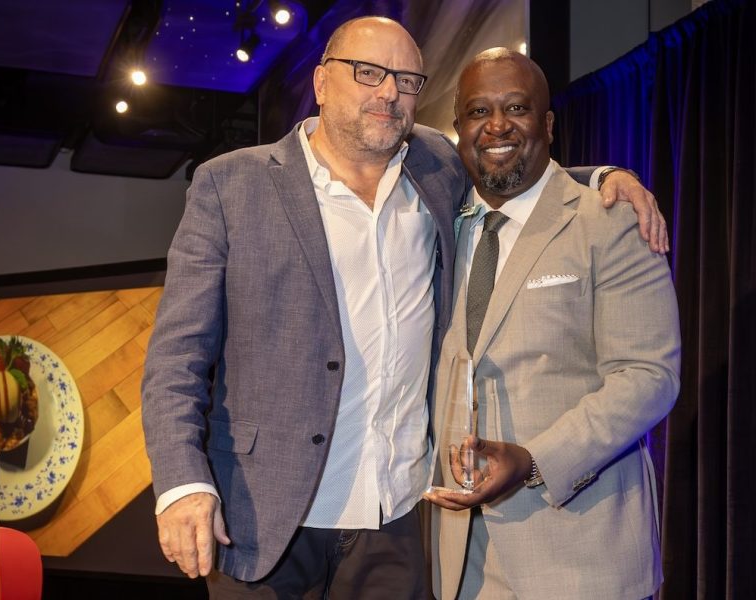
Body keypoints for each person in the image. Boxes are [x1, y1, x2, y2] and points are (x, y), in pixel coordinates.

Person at [141, 17, 666, 598]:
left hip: (396, 527)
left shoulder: (435, 171)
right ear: (320, 82)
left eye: (408, 80)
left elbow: (519, 173)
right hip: (264, 522)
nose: (388, 91)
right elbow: (176, 358)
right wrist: (183, 483)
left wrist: (609, 179)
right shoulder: (231, 185)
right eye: (367, 72)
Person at [424, 48, 681, 600]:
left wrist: (534, 460)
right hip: (463, 562)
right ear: (458, 128)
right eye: (478, 111)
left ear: (548, 124)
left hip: (583, 559)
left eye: (516, 107)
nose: (496, 125)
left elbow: (648, 377)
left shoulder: (610, 220)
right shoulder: (441, 228)